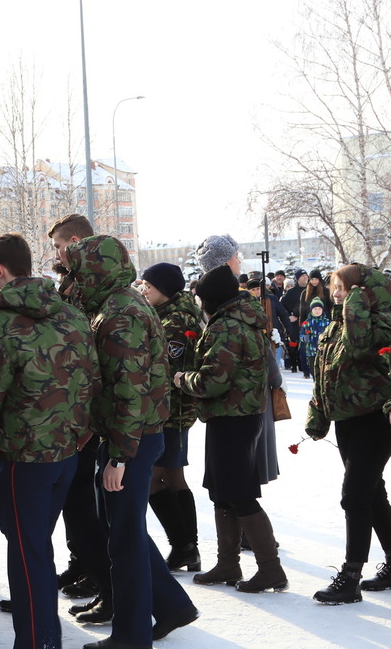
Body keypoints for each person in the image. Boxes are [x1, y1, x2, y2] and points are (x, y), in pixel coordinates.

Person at [0, 233, 97, 649]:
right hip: (67, 451)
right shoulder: (71, 315)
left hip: (22, 457)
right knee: (34, 547)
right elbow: (92, 379)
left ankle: (39, 641)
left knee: (27, 553)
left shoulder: (0, 323)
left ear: (0, 271)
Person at [65, 235, 198, 648]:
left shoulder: (120, 314)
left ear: (95, 269)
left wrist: (119, 457)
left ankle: (131, 636)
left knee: (123, 540)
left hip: (132, 440)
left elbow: (129, 390)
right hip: (132, 436)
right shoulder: (120, 303)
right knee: (124, 532)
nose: (73, 279)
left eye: (78, 270)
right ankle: (170, 607)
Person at [174, 265, 288, 595]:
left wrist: (182, 380)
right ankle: (228, 563)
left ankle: (271, 569)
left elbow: (213, 381)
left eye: (200, 299)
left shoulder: (226, 327)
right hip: (234, 416)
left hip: (234, 417)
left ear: (211, 300)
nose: (199, 305)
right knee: (222, 491)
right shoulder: (238, 319)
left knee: (239, 493)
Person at [308, 265, 391, 603]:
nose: (337, 293)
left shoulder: (379, 323)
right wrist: (318, 415)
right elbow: (323, 373)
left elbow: (359, 347)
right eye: (335, 287)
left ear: (362, 291)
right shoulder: (334, 325)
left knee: (355, 494)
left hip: (376, 417)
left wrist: (357, 300)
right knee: (372, 494)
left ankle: (350, 577)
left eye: (345, 287)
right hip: (347, 418)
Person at [46, 214, 109, 609]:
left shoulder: (89, 288)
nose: (54, 253)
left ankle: (102, 577)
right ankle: (82, 562)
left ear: (72, 241)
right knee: (76, 498)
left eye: (56, 246)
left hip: (88, 411)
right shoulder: (73, 284)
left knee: (86, 502)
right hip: (79, 409)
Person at [140, 263, 204, 573]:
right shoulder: (168, 313)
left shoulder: (176, 320)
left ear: (164, 288)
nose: (143, 290)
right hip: (169, 411)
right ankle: (186, 548)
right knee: (169, 477)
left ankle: (184, 546)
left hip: (173, 411)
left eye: (148, 286)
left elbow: (166, 366)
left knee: (157, 478)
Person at [299, 297, 330, 379]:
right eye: (315, 309)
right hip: (311, 351)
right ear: (311, 310)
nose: (317, 311)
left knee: (323, 370)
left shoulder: (327, 322)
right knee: (314, 371)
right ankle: (315, 382)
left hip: (323, 351)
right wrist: (304, 338)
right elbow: (301, 333)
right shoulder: (307, 322)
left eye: (319, 309)